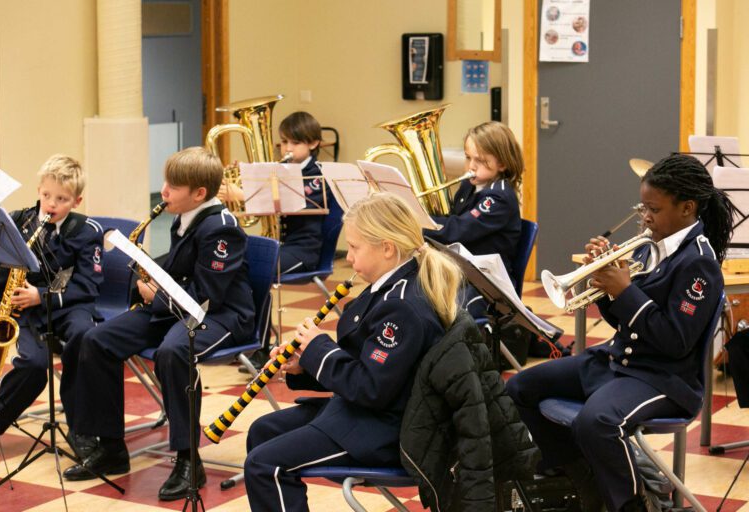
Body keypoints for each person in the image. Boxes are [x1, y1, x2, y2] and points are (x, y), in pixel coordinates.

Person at [506, 154, 737, 512]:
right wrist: (608, 284)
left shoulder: (699, 263)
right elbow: (625, 323)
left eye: (653, 209)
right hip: (621, 362)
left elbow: (675, 341)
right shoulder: (655, 245)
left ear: (687, 208)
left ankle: (631, 504)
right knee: (520, 388)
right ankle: (581, 476)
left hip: (664, 378)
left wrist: (625, 291)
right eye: (641, 206)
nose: (644, 217)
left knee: (596, 422)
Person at [243, 192, 461, 512]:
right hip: (364, 412)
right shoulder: (387, 288)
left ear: (387, 248)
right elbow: (361, 369)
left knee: (265, 466)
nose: (349, 258)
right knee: (262, 431)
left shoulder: (403, 308)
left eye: (356, 247)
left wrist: (318, 348)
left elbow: (371, 388)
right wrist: (304, 364)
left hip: (387, 431)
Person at [63, 147, 255, 501]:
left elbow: (207, 294)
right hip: (179, 307)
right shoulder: (185, 217)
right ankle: (110, 448)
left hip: (221, 315)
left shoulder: (220, 227)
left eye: (173, 186)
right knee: (96, 339)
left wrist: (156, 295)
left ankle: (188, 459)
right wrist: (151, 274)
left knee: (173, 351)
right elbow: (181, 269)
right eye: (166, 182)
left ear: (199, 193)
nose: (163, 191)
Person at [0, 155, 103, 448]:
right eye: (46, 195)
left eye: (61, 199)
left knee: (84, 338)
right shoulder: (17, 222)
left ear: (77, 200)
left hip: (68, 306)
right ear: (38, 189)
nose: (51, 204)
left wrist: (42, 296)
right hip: (24, 308)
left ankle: (82, 430)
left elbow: (87, 286)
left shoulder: (87, 232)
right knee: (34, 367)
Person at [424, 121, 523, 314]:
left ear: (502, 163)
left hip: (488, 282)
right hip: (464, 271)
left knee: (442, 309)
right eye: (468, 157)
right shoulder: (468, 186)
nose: (471, 166)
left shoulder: (499, 197)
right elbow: (450, 220)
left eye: (480, 160)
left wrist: (417, 223)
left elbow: (458, 229)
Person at [218, 111, 335, 274]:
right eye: (284, 141)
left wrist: (242, 195)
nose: (287, 148)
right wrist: (244, 174)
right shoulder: (281, 169)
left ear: (313, 144)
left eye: (295, 143)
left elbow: (292, 204)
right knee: (227, 259)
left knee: (247, 269)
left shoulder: (318, 176)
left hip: (303, 251)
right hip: (277, 244)